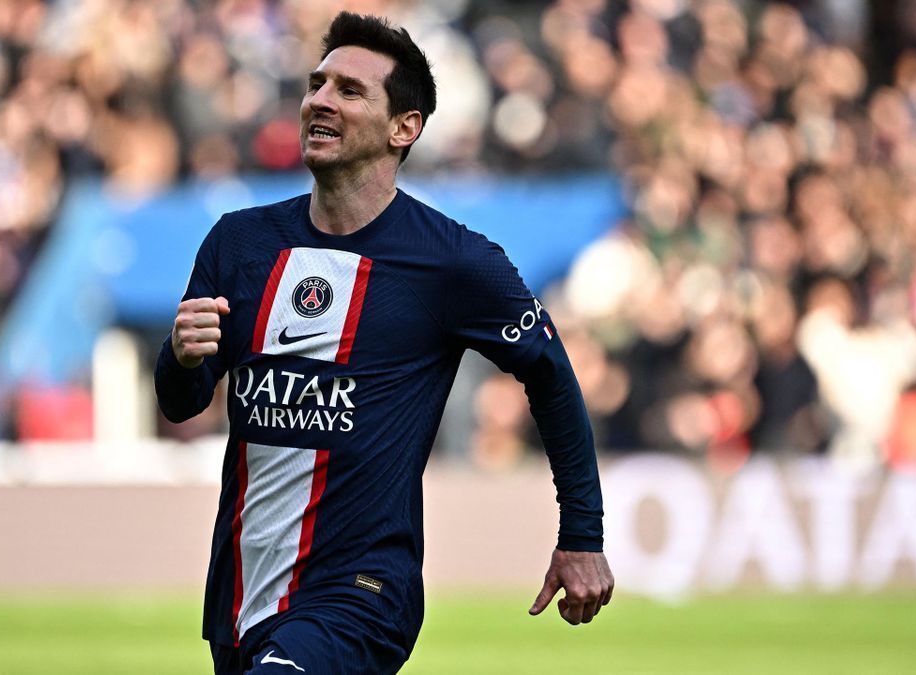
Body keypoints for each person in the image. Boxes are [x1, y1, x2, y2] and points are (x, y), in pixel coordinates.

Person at [155, 12, 613, 674]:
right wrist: (182, 354)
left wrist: (582, 535)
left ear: (405, 128)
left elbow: (551, 376)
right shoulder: (239, 243)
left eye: (349, 89)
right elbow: (180, 401)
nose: (318, 99)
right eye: (317, 84)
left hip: (363, 593)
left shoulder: (455, 262)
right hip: (242, 591)